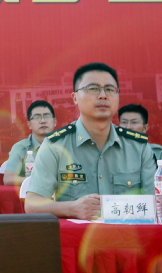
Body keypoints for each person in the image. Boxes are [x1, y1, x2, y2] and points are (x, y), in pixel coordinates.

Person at [25, 62, 156, 220]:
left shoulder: (139, 147)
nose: (103, 95)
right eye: (93, 89)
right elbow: (32, 204)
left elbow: (155, 202)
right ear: (75, 97)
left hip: (127, 234)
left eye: (110, 89)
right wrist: (72, 208)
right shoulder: (55, 146)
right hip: (76, 235)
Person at [3, 100, 57, 185]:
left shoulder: (65, 144)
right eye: (37, 117)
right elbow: (8, 178)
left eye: (47, 116)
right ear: (29, 125)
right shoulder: (21, 148)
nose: (43, 121)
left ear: (54, 122)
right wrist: (37, 180)